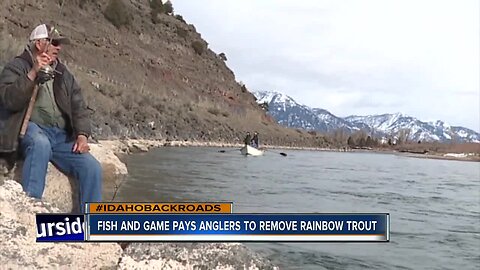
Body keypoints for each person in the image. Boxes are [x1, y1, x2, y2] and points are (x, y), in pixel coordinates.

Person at [0, 24, 102, 212]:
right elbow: (9, 100)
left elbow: (79, 106)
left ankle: (92, 224)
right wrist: (33, 73)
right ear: (39, 43)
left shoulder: (63, 74)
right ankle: (30, 211)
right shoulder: (18, 66)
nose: (59, 48)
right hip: (30, 128)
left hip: (61, 136)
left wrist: (82, 135)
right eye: (54, 43)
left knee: (92, 167)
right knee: (40, 144)